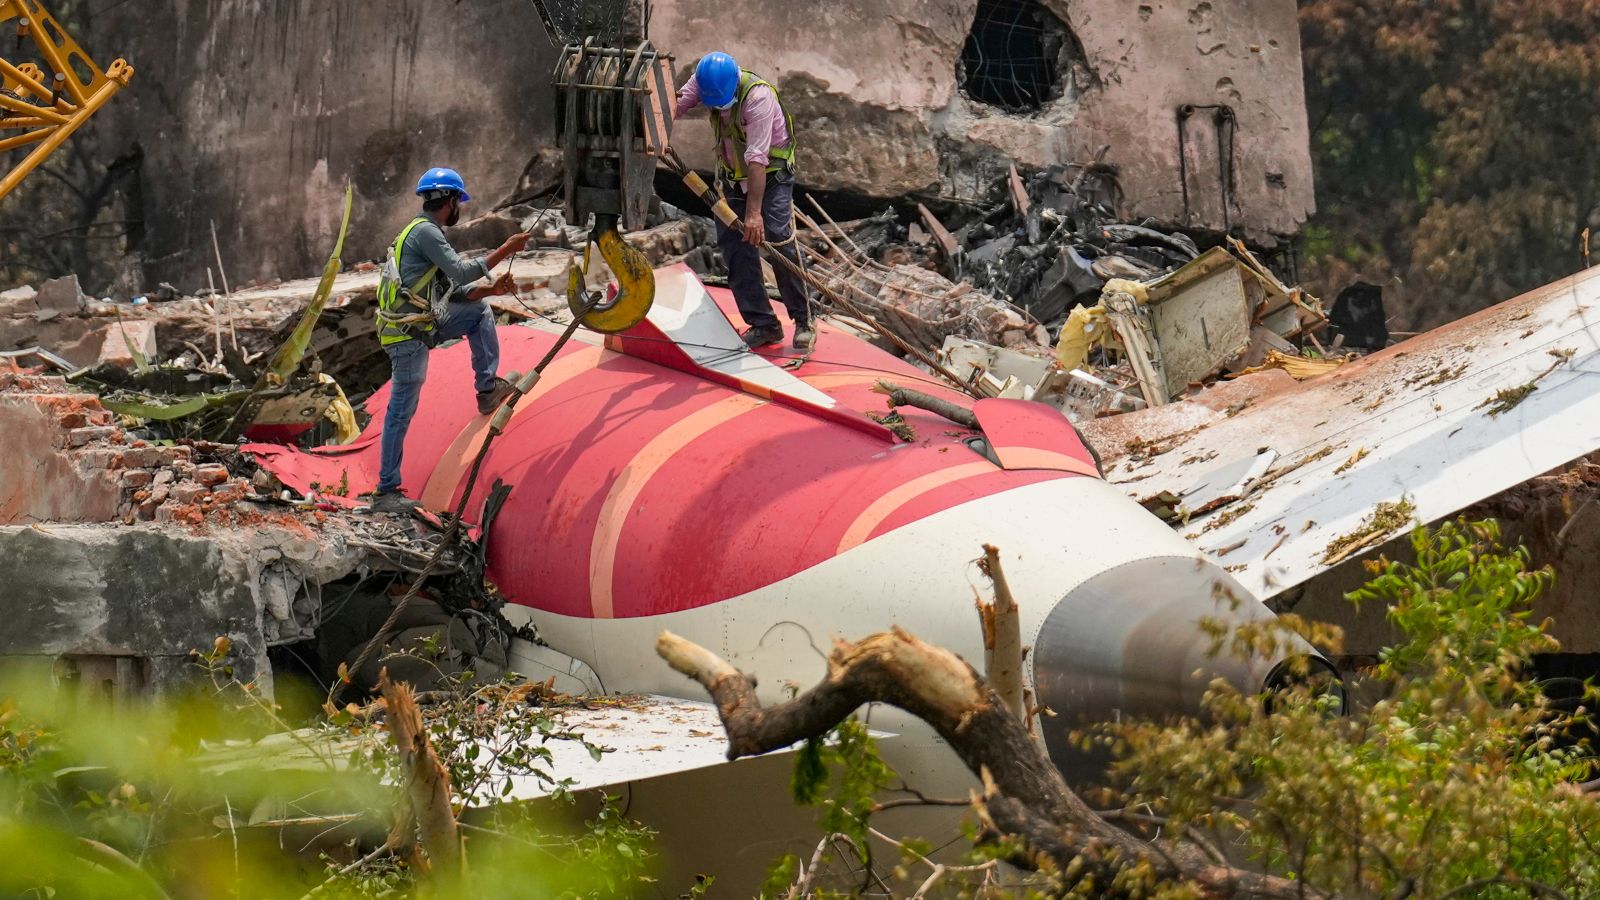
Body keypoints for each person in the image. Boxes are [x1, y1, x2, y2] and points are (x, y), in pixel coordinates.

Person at [370, 167, 530, 513]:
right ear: (451, 200)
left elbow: (453, 290)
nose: (460, 208)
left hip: (417, 326)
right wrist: (506, 248)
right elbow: (461, 271)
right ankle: (386, 491)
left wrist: (491, 290)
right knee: (400, 412)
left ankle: (487, 389)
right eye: (459, 201)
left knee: (479, 312)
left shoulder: (421, 233)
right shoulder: (426, 233)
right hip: (408, 335)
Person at [674, 51, 813, 350]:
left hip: (770, 177)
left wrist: (754, 214)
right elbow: (673, 107)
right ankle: (764, 323)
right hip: (734, 177)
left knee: (777, 239)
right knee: (733, 245)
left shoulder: (758, 99)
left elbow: (757, 160)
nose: (717, 107)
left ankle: (803, 319)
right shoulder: (703, 80)